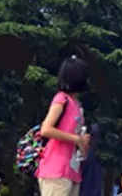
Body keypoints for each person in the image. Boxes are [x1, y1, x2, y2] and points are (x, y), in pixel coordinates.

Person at [37, 56, 92, 196]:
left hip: (72, 170)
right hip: (56, 169)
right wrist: (76, 138)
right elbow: (46, 129)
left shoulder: (76, 104)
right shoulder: (61, 99)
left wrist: (82, 142)